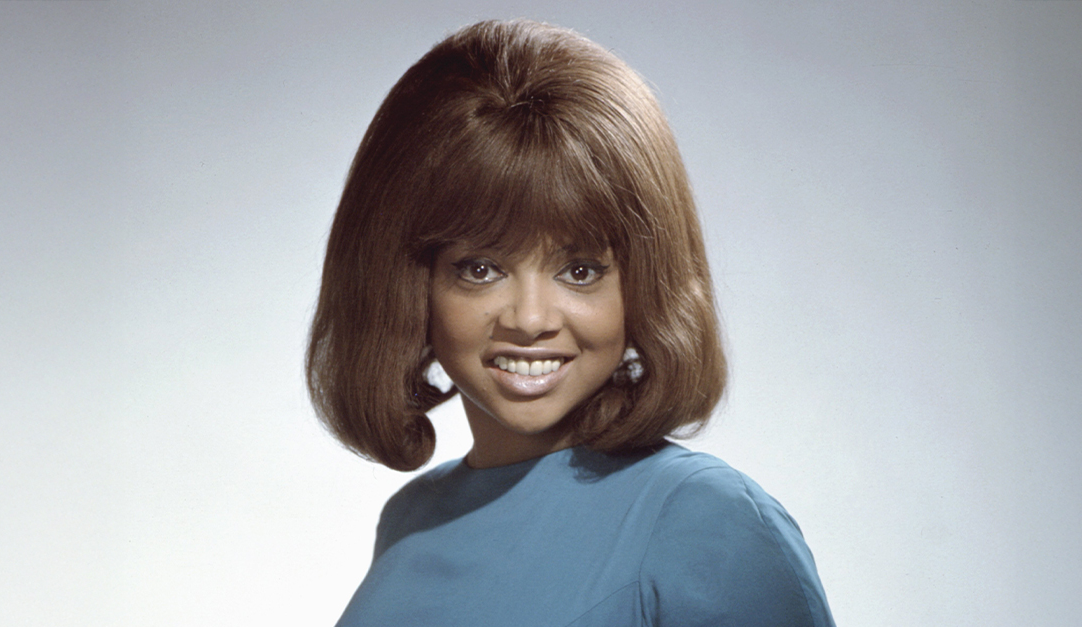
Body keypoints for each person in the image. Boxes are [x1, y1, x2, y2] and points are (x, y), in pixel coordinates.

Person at [306, 19, 834, 627]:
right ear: (405, 284)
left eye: (580, 271)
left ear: (644, 283)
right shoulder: (411, 519)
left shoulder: (709, 523)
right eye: (480, 268)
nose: (530, 319)